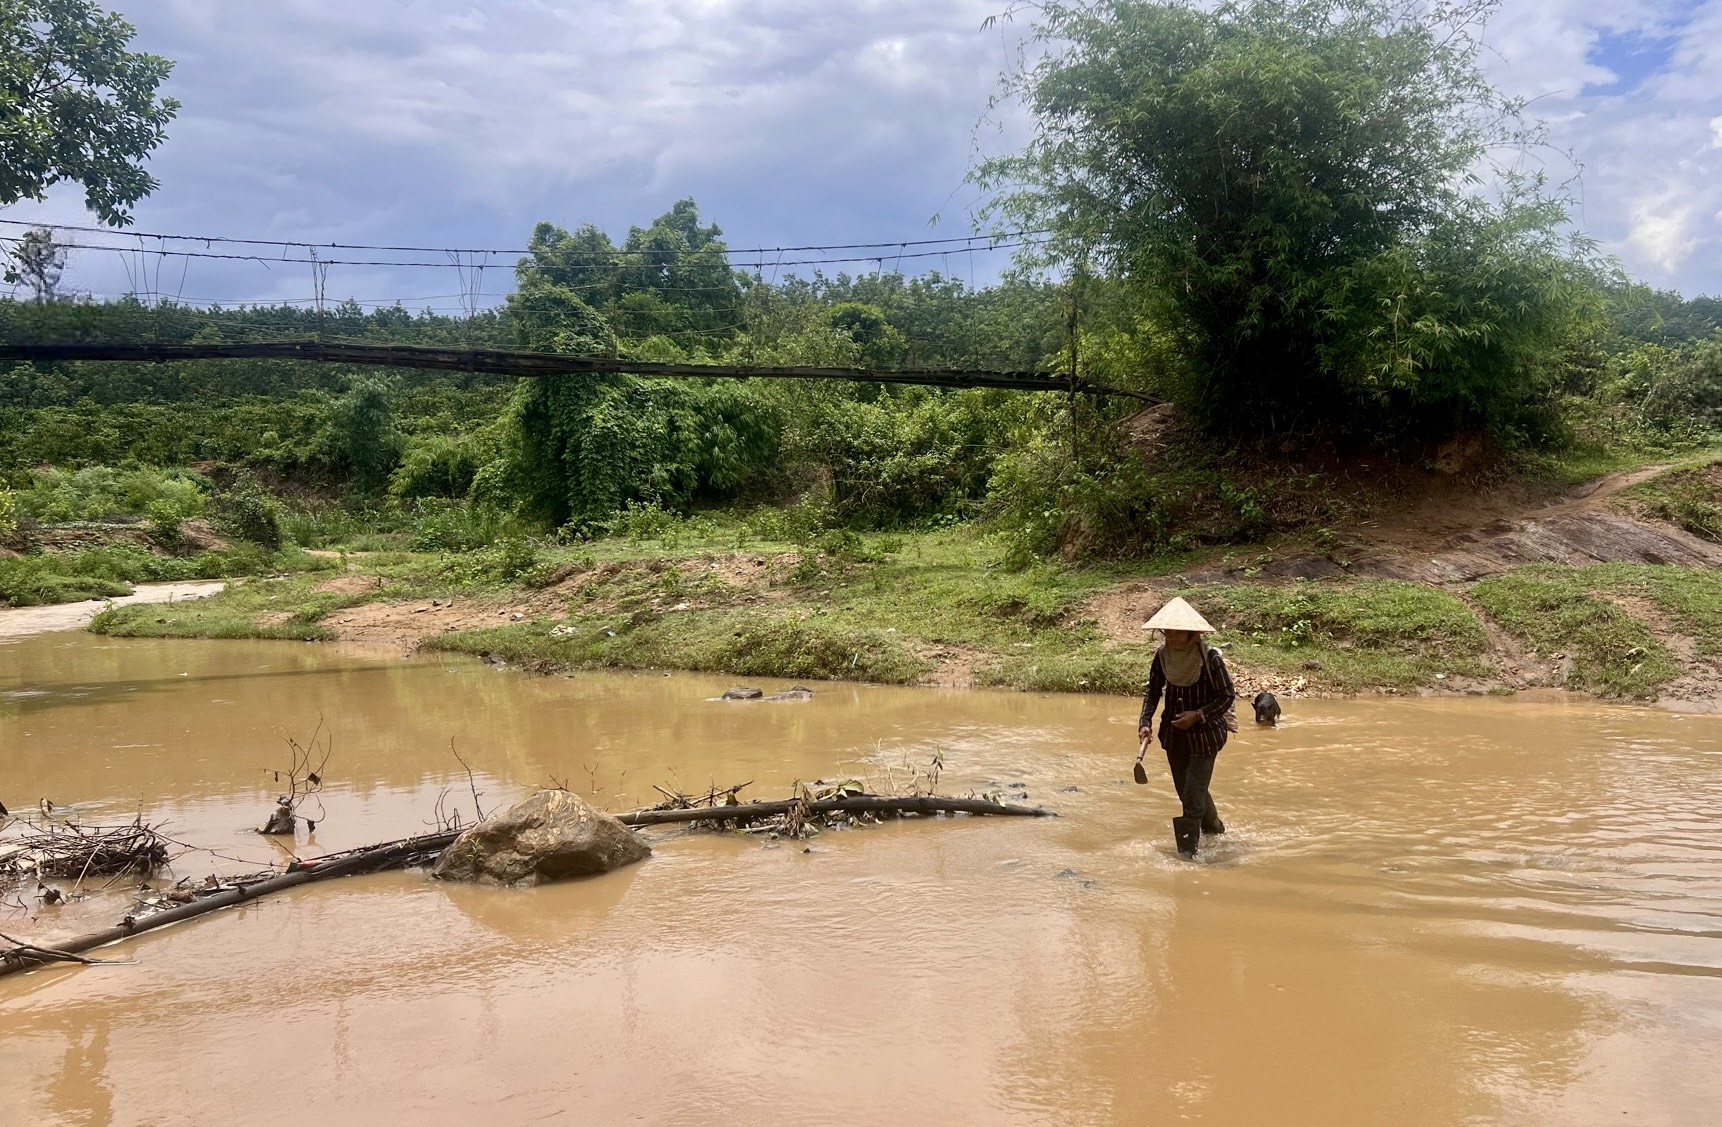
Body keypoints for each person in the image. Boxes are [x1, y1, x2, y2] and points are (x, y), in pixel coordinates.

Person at [1136, 597, 1235, 857]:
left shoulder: (1210, 658)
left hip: (1205, 735)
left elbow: (1227, 696)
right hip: (1174, 734)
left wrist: (1198, 715)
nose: (1171, 636)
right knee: (1188, 790)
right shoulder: (1162, 657)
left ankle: (1188, 857)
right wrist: (1145, 722)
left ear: (1192, 634)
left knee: (1192, 796)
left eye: (1176, 631)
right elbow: (1153, 691)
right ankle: (1215, 830)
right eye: (1167, 631)